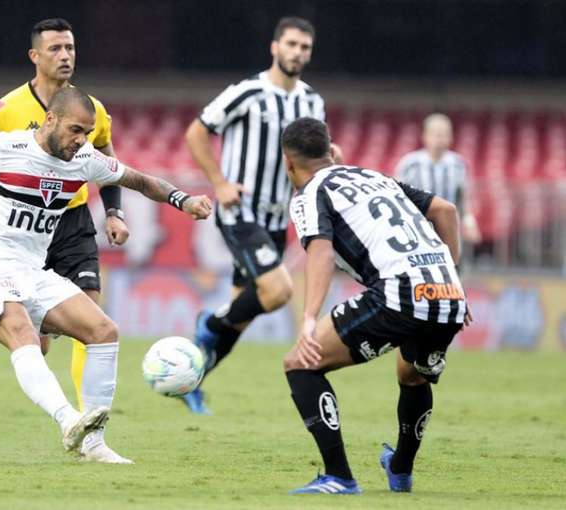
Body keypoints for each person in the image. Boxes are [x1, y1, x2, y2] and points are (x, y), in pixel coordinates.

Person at [0, 88, 212, 464]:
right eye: (75, 130)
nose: (81, 140)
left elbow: (139, 180)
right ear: (50, 120)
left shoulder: (83, 158)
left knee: (104, 331)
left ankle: (95, 443)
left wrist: (184, 201)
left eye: (86, 132)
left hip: (33, 270)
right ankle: (69, 419)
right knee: (23, 333)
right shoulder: (2, 147)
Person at [281, 117, 471, 494]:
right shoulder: (374, 176)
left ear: (289, 163)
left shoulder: (308, 195)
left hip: (399, 293)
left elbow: (319, 252)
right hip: (449, 294)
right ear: (330, 150)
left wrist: (307, 319)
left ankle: (339, 476)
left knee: (301, 363)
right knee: (412, 374)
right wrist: (450, 280)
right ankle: (400, 469)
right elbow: (446, 210)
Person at [0, 19, 129, 428]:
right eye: (56, 49)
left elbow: (109, 159)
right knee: (37, 342)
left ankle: (86, 418)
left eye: (70, 48)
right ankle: (56, 400)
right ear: (35, 56)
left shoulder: (91, 108)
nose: (66, 56)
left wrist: (113, 211)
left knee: (91, 315)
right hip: (19, 228)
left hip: (71, 220)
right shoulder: (6, 111)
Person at [183, 16, 330, 414]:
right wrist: (219, 182)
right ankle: (208, 325)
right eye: (292, 44)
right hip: (239, 211)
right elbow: (196, 132)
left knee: (243, 315)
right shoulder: (247, 92)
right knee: (279, 291)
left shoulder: (312, 102)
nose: (298, 52)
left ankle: (191, 380)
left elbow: (314, 157)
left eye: (305, 47)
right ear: (275, 47)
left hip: (278, 219)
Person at [395, 113, 481, 246]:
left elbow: (464, 198)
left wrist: (469, 221)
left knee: (451, 264)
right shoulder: (410, 164)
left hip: (448, 230)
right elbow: (398, 197)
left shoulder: (458, 165)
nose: (441, 139)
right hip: (418, 229)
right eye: (436, 134)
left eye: (445, 134)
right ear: (425, 136)